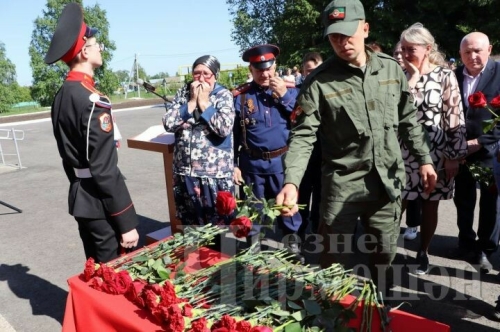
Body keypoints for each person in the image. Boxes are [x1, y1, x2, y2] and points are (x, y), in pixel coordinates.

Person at [276, 0, 436, 293]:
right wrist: (291, 182)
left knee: (385, 256)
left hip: (386, 183)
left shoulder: (391, 69)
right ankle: (332, 313)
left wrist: (424, 159)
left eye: (348, 33)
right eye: (334, 35)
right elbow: (302, 136)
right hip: (342, 186)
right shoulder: (318, 82)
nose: (341, 41)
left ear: (365, 28)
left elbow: (408, 119)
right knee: (333, 259)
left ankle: (381, 309)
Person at [45, 3, 139, 263]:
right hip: (101, 204)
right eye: (98, 44)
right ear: (85, 51)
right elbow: (104, 166)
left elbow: (68, 157)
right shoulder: (92, 100)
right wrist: (125, 219)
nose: (100, 49)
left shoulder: (62, 96)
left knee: (96, 274)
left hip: (81, 197)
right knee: (114, 278)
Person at [400, 23, 467, 274]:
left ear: (427, 48)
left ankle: (423, 252)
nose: (406, 54)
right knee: (396, 204)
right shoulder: (398, 75)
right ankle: (384, 252)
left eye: (411, 49)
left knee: (430, 204)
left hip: (436, 153)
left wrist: (454, 156)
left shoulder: (444, 75)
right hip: (401, 152)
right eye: (403, 49)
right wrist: (412, 80)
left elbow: (454, 115)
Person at [233, 44, 302, 259]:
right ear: (251, 70)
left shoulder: (290, 91)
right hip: (251, 165)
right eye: (259, 69)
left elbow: (303, 120)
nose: (265, 73)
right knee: (253, 211)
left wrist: (283, 96)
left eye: (268, 68)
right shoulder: (241, 96)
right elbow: (232, 135)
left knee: (287, 209)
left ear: (275, 66)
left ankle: (292, 247)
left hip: (282, 163)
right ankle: (253, 249)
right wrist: (234, 165)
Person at [162, 55, 235, 244]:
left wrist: (204, 104)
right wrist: (192, 103)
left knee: (219, 232)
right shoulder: (183, 94)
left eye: (206, 74)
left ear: (215, 75)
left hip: (214, 176)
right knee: (191, 231)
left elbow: (224, 127)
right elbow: (168, 123)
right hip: (185, 173)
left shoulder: (223, 95)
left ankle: (223, 269)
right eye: (196, 74)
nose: (201, 79)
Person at [452, 32, 500, 273]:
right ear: (460, 54)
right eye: (467, 52)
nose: (472, 56)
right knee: (463, 199)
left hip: (490, 151)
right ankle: (465, 241)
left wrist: (481, 141)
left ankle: (487, 247)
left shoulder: (499, 74)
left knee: (491, 203)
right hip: (460, 150)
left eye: (477, 51)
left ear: (489, 50)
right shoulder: (453, 76)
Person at [392, 41, 423, 241]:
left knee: (416, 190)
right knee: (397, 190)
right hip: (394, 144)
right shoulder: (391, 77)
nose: (400, 56)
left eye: (402, 52)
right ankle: (391, 226)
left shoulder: (425, 75)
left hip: (418, 142)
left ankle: (412, 224)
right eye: (396, 53)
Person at [296, 52, 323, 245]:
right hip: (304, 155)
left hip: (324, 153)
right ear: (303, 72)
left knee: (321, 195)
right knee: (302, 195)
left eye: (315, 70)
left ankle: (316, 225)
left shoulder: (329, 91)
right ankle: (300, 230)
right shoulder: (297, 92)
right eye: (308, 71)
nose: (311, 74)